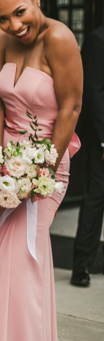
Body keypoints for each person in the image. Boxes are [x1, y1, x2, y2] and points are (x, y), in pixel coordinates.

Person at [0, 0, 82, 341]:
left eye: (20, 12)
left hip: (47, 164)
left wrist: (42, 173)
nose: (14, 25)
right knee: (10, 261)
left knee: (15, 259)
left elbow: (71, 108)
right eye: (3, 18)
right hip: (2, 166)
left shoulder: (59, 38)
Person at [71, 23, 104, 287]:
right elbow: (93, 92)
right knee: (96, 199)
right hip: (100, 137)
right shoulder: (97, 38)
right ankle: (81, 265)